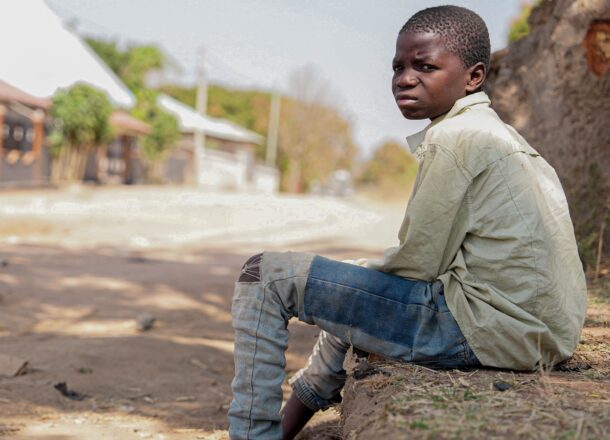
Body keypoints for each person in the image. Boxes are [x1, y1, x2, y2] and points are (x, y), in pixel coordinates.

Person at [227, 5, 587, 439]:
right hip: (537, 334)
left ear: (474, 77)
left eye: (425, 66)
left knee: (264, 277)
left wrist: (346, 283)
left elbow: (416, 267)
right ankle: (295, 416)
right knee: (355, 279)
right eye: (398, 66)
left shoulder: (454, 140)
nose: (404, 78)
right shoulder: (498, 134)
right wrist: (352, 279)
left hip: (485, 331)